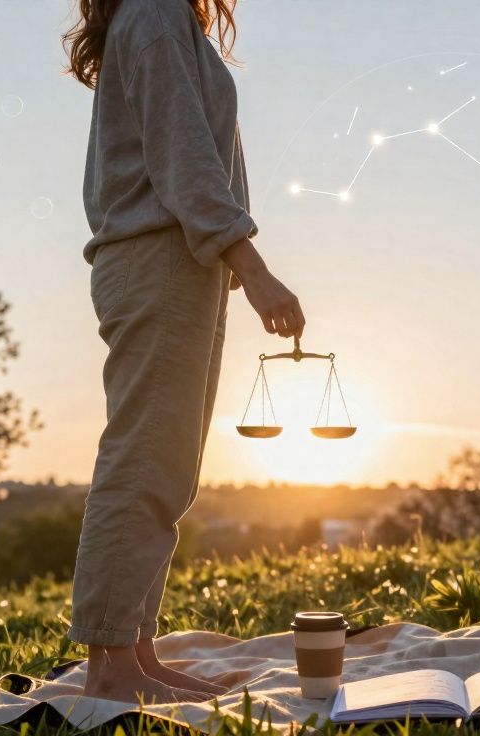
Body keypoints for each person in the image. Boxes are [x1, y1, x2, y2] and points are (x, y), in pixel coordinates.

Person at [63, 0, 304, 703]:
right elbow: (184, 156)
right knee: (142, 460)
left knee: (164, 467)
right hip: (160, 258)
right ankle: (109, 666)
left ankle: (134, 649)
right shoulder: (153, 13)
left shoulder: (161, 17)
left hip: (184, 262)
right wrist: (255, 271)